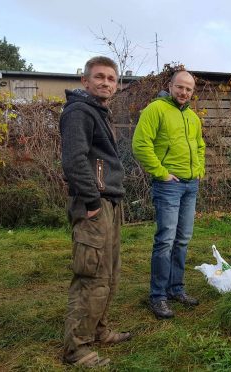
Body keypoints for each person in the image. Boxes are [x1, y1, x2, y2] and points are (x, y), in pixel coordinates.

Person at [60, 56, 131, 367]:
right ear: (84, 82)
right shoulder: (78, 112)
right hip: (94, 203)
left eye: (111, 78)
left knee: (110, 272)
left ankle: (98, 329)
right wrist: (90, 203)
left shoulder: (99, 112)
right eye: (99, 77)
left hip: (110, 201)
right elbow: (74, 161)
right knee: (92, 274)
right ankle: (76, 348)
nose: (106, 82)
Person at [132, 70, 205, 320]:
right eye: (180, 87)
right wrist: (161, 173)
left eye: (189, 89)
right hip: (169, 186)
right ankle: (158, 296)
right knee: (165, 240)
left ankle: (176, 289)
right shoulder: (156, 109)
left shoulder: (193, 118)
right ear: (170, 86)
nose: (184, 92)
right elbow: (140, 144)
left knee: (183, 239)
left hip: (189, 185)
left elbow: (200, 145)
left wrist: (199, 170)